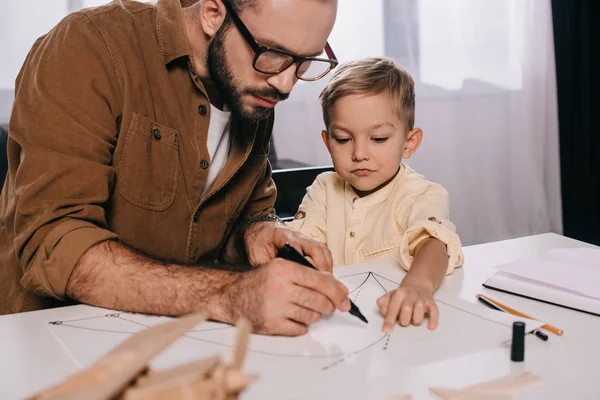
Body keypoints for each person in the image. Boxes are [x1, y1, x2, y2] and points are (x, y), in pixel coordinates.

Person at [0, 0, 351, 337]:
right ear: (213, 13)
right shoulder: (90, 46)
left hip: (174, 339)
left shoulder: (253, 85)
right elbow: (55, 244)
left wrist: (255, 234)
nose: (286, 84)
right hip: (48, 343)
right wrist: (229, 295)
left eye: (304, 62)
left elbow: (232, 218)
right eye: (273, 54)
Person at [286, 57, 464, 333]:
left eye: (378, 139)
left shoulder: (423, 194)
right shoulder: (324, 187)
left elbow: (434, 245)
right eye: (344, 140)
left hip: (396, 324)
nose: (359, 154)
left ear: (409, 142)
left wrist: (418, 286)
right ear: (328, 143)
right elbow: (300, 246)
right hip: (336, 326)